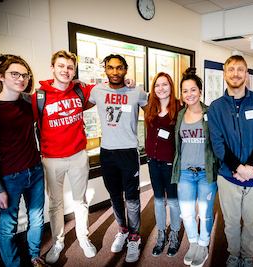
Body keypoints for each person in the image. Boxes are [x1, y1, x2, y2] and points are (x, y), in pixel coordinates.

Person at [208, 55, 253, 267]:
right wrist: (237, 168)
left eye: (240, 69)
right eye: (231, 69)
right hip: (229, 176)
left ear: (247, 74)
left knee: (252, 223)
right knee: (231, 222)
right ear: (224, 74)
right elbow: (217, 143)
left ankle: (247, 257)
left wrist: (250, 167)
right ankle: (233, 255)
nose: (236, 73)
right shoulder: (216, 107)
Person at [31, 51, 98, 264]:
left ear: (74, 70)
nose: (65, 71)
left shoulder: (80, 90)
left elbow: (105, 88)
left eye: (70, 67)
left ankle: (83, 237)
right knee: (55, 204)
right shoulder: (39, 97)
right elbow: (16, 108)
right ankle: (58, 242)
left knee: (80, 201)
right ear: (52, 68)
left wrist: (126, 81)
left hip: (78, 155)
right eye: (61, 66)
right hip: (51, 159)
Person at [0, 55, 46, 267]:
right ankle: (12, 264)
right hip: (10, 177)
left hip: (36, 171)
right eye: (15, 74)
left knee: (37, 219)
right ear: (0, 76)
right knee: (8, 226)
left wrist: (75, 82)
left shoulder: (30, 100)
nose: (21, 78)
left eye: (25, 75)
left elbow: (53, 91)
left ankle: (35, 256)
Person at [86, 54, 148, 263]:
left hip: (128, 151)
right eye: (110, 68)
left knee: (131, 197)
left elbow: (153, 112)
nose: (115, 72)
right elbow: (78, 101)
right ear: (104, 69)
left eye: (119, 68)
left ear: (126, 69)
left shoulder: (136, 91)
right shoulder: (97, 91)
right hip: (107, 152)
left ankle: (134, 236)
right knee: (114, 196)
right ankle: (122, 229)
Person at [171, 68, 218, 267]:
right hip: (185, 173)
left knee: (205, 213)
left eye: (193, 90)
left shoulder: (210, 113)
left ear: (200, 91)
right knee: (187, 212)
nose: (189, 94)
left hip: (206, 172)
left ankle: (204, 244)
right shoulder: (181, 114)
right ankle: (193, 242)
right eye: (185, 91)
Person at [144, 72, 181, 257]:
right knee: (158, 200)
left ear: (171, 86)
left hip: (170, 164)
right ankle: (161, 234)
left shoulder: (180, 107)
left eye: (164, 84)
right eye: (157, 85)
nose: (161, 88)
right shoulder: (150, 106)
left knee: (173, 201)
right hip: (153, 162)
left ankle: (174, 233)